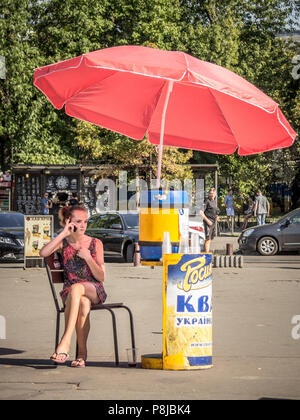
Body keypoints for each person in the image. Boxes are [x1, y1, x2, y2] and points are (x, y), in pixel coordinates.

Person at [40, 205, 106, 368]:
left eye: (85, 221)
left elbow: (101, 277)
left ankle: (65, 342)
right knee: (82, 301)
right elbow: (43, 253)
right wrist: (63, 233)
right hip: (71, 294)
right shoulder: (64, 243)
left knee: (78, 288)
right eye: (78, 221)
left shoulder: (95, 243)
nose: (83, 225)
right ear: (69, 222)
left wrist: (88, 258)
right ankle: (81, 355)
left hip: (94, 290)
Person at [199, 187, 219, 253]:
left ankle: (206, 254)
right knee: (207, 239)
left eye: (213, 193)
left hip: (213, 223)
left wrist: (216, 216)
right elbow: (201, 212)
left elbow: (214, 211)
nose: (211, 195)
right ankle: (206, 255)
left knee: (210, 239)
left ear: (215, 193)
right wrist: (207, 221)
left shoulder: (214, 201)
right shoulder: (206, 201)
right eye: (210, 193)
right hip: (207, 223)